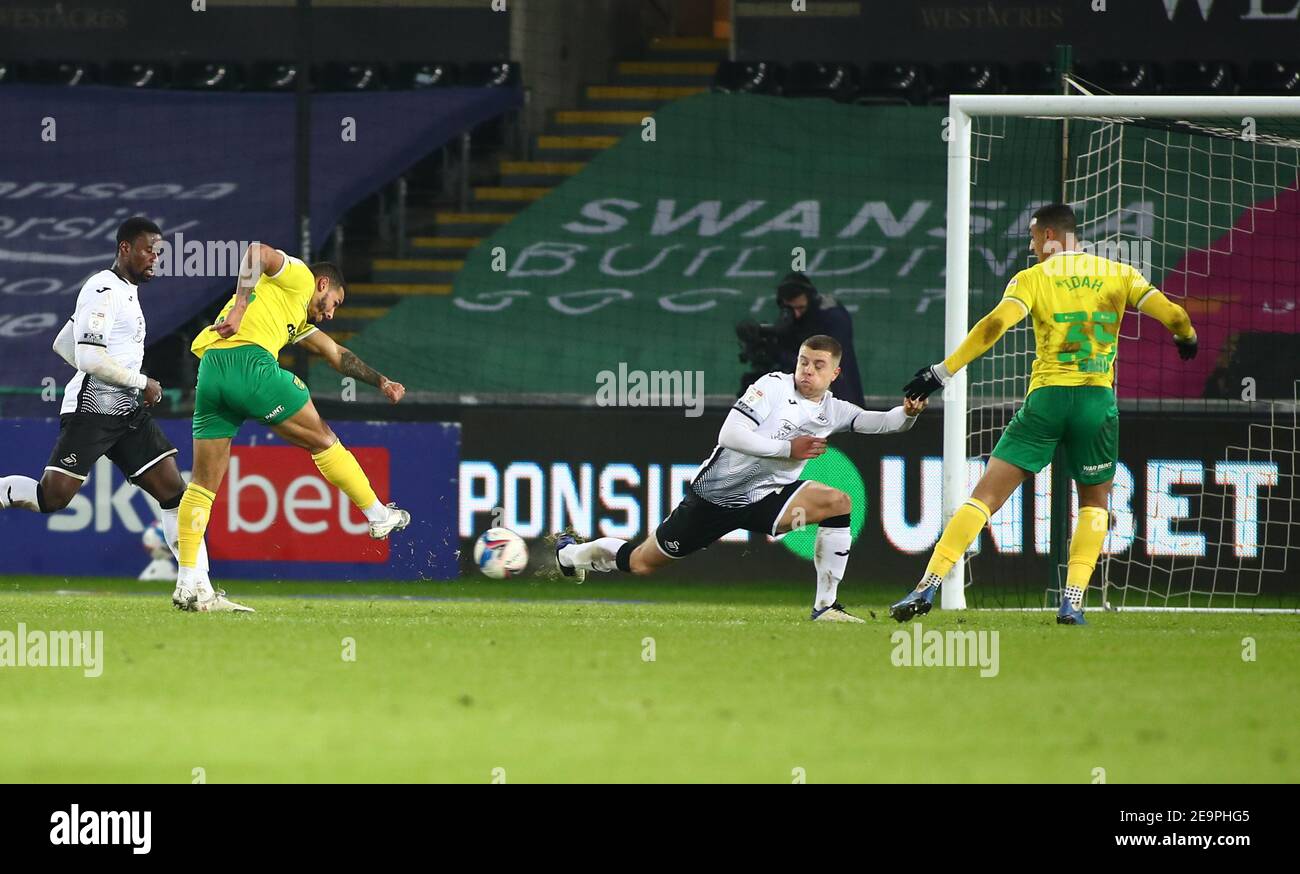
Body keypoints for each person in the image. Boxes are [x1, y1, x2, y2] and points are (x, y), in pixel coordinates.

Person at [890, 203, 1198, 626]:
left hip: (1047, 400)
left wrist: (941, 373)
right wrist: (1186, 337)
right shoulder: (1120, 273)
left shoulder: (1033, 279)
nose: (1033, 246)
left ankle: (927, 585)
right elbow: (1176, 316)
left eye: (1034, 237)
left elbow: (994, 326)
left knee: (985, 496)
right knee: (1094, 503)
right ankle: (1071, 601)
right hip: (1094, 401)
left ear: (1051, 234)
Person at [555, 334, 925, 622]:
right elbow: (729, 436)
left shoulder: (834, 410)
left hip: (768, 497)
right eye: (803, 361)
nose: (807, 370)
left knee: (838, 504)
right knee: (642, 563)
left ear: (834, 373)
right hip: (714, 499)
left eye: (818, 365)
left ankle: (826, 608)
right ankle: (572, 554)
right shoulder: (772, 387)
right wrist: (788, 450)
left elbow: (882, 423)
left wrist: (908, 413)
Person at [0, 217, 237, 611]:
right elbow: (88, 355)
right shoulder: (103, 289)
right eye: (148, 250)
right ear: (124, 248)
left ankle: (199, 591)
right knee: (52, 496)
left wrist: (127, 386)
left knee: (174, 494)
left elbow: (64, 342)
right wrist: (139, 381)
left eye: (159, 252)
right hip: (92, 410)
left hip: (127, 415)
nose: (155, 259)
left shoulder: (125, 292)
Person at [173, 243, 411, 609]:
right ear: (323, 283)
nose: (332, 313)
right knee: (323, 440)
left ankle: (189, 582)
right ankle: (377, 515)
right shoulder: (298, 275)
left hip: (211, 372)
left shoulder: (293, 316)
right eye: (335, 302)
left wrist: (381, 382)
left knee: (203, 485)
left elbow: (336, 354)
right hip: (249, 363)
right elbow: (256, 252)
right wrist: (238, 308)